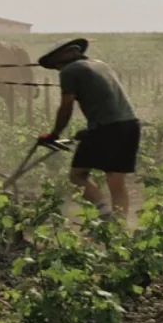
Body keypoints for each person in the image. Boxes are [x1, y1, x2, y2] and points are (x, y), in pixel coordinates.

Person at [37, 38, 140, 220]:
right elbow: (105, 99)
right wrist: (91, 129)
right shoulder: (100, 64)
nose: (57, 69)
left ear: (62, 55)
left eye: (55, 66)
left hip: (108, 128)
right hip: (130, 124)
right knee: (116, 180)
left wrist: (54, 134)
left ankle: (104, 212)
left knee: (78, 175)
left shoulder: (70, 71)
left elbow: (66, 106)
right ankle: (120, 227)